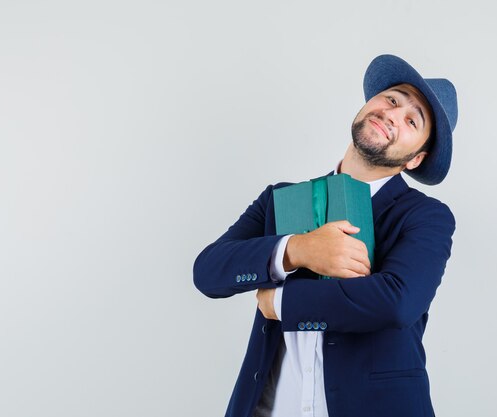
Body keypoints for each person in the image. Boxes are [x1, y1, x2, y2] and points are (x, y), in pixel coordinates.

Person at [193, 54, 458, 417]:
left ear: (415, 159)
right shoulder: (280, 198)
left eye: (412, 120)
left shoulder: (426, 217)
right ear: (369, 104)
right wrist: (296, 250)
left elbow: (396, 303)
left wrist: (282, 305)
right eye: (391, 99)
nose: (393, 114)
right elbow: (207, 272)